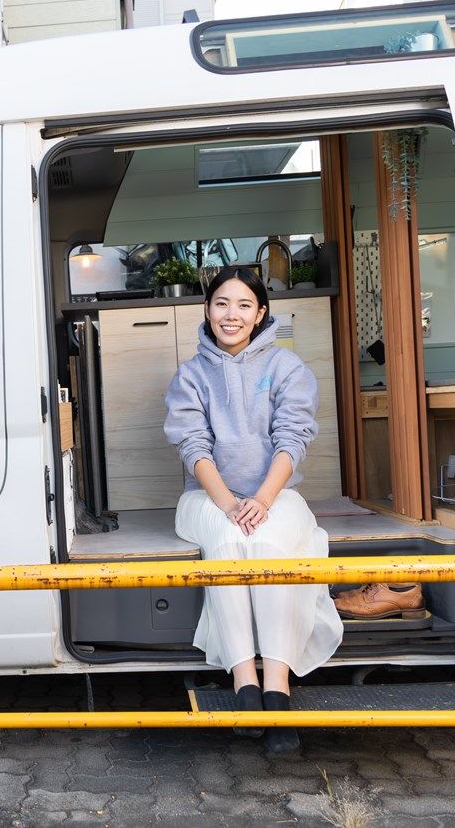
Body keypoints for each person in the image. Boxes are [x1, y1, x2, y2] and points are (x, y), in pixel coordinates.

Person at [164, 265, 343, 754]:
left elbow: (293, 438)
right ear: (207, 309)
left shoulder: (287, 368)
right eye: (222, 303)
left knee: (263, 544)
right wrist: (228, 503)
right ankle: (244, 681)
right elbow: (192, 445)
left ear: (261, 313)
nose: (231, 314)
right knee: (227, 543)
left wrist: (262, 499)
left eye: (244, 305)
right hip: (205, 498)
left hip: (276, 495)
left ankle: (276, 690)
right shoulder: (190, 375)